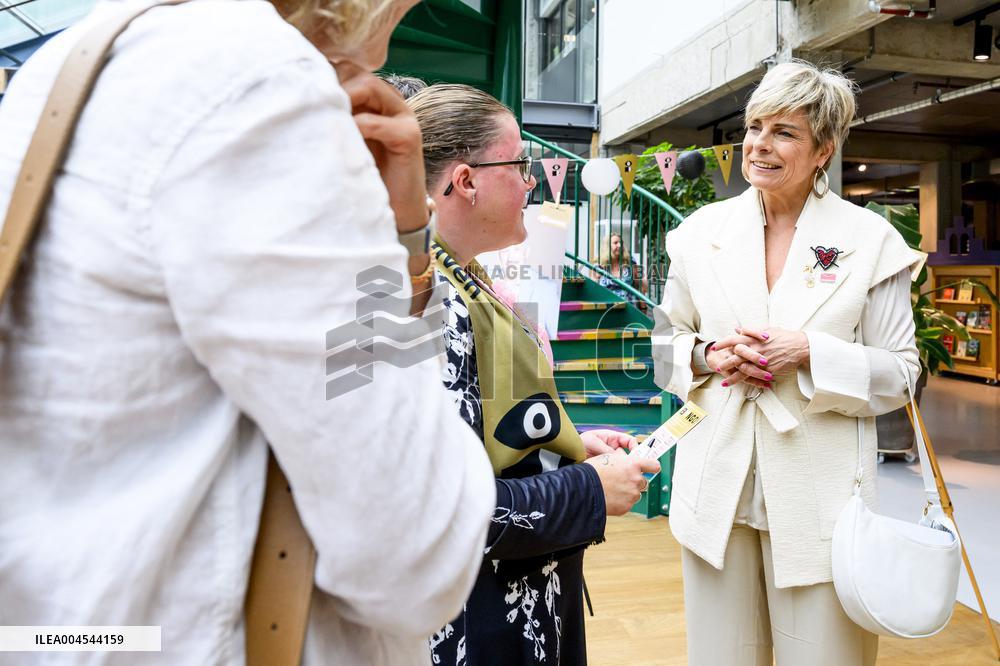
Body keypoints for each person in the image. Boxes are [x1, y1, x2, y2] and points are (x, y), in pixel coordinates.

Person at [0, 1, 495, 664]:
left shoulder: (74, 59)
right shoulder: (258, 81)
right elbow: (417, 552)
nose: (377, 56)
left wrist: (404, 235)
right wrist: (389, 250)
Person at [652, 61, 921, 666]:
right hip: (714, 487)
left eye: (785, 132)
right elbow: (664, 344)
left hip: (820, 494)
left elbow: (902, 373)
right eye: (754, 126)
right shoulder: (698, 234)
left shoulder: (870, 241)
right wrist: (708, 355)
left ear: (824, 149)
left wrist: (809, 353)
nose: (759, 145)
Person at [405, 83, 660, 665]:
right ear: (465, 181)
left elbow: (488, 433)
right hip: (467, 625)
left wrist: (565, 446)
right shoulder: (416, 298)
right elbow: (436, 510)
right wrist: (590, 487)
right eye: (519, 164)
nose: (532, 181)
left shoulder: (456, 279)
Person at [595, 232, 648, 303]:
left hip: (628, 307)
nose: (619, 245)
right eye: (615, 243)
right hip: (607, 307)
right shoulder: (600, 265)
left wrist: (640, 276)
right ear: (607, 246)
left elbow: (643, 287)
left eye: (621, 243)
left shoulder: (630, 262)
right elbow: (595, 289)